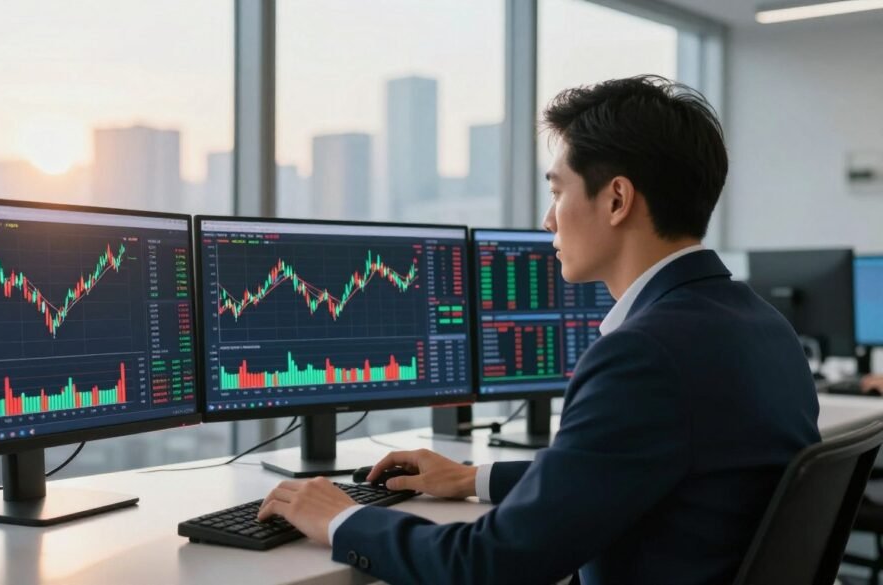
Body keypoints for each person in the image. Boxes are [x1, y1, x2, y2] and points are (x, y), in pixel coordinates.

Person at [257, 75, 821, 585]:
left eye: (557, 192)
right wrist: (475, 479)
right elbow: (632, 467)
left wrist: (343, 520)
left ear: (617, 199)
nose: (548, 221)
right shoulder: (760, 325)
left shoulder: (643, 353)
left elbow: (492, 564)